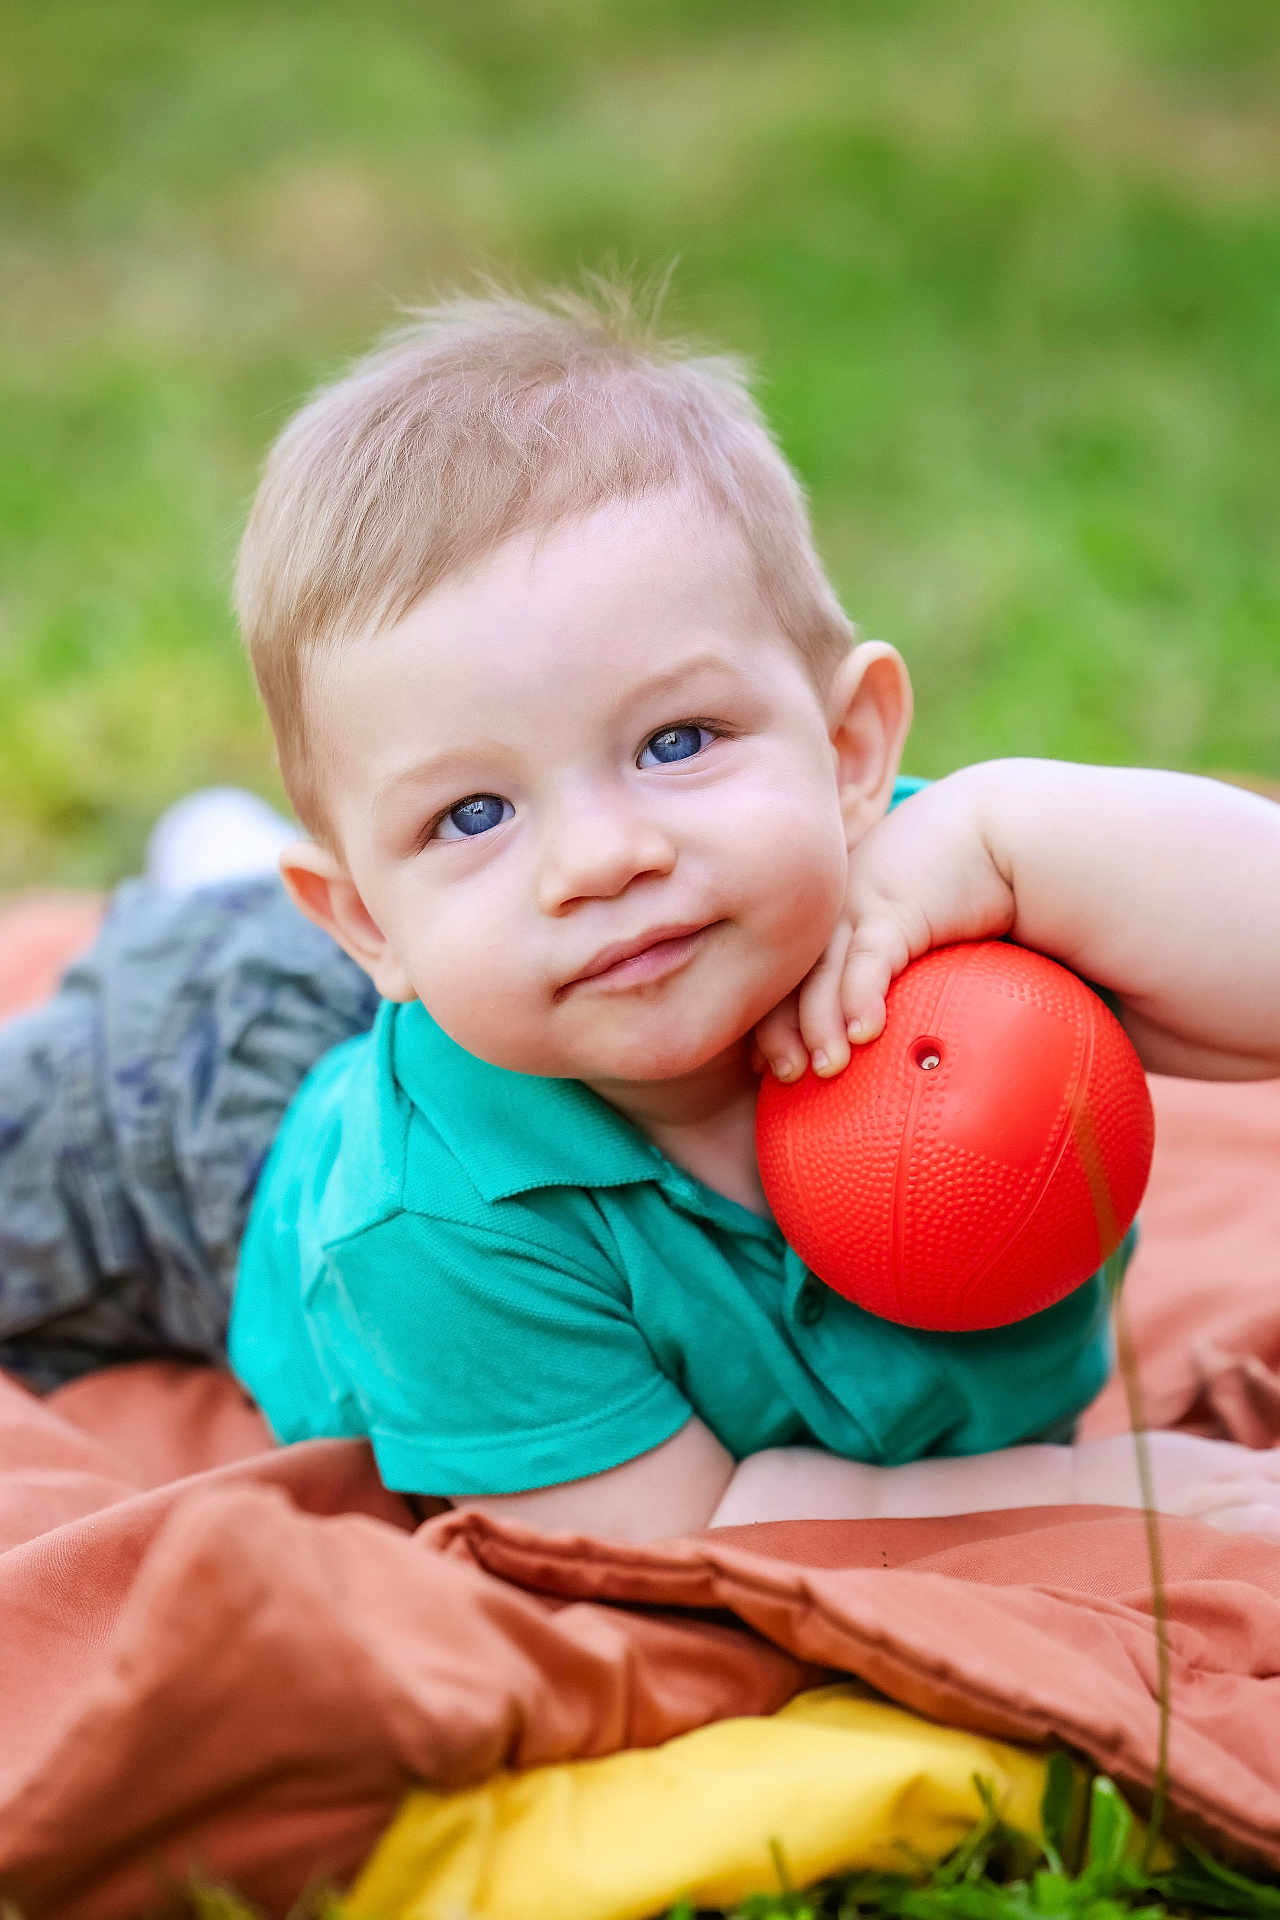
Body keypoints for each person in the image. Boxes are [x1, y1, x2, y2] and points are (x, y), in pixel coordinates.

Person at [3, 285, 1280, 1543]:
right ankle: (226, 898)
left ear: (846, 753)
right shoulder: (434, 1217)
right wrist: (1078, 1498)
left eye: (675, 741)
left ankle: (261, 867)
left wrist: (1008, 830)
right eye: (473, 812)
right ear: (369, 921)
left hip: (469, 972)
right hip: (188, 1135)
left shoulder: (941, 907)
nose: (604, 858)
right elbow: (670, 1524)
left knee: (425, 939)